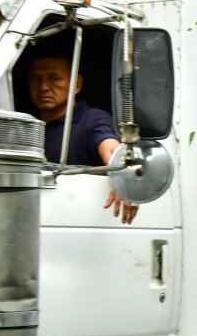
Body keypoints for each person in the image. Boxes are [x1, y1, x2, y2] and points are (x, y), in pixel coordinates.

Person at [27, 53, 138, 225]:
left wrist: (122, 176)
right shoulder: (27, 126)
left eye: (54, 78)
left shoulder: (93, 119)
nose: (43, 87)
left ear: (76, 84)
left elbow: (109, 147)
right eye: (36, 79)